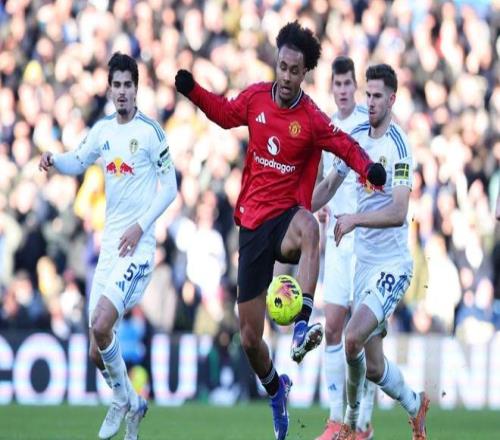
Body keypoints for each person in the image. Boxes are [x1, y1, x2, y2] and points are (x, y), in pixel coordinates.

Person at [174, 21, 386, 440]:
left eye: (295, 70)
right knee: (250, 339)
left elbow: (344, 145)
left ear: (305, 73)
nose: (287, 76)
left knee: (311, 228)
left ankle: (302, 324)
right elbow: (224, 114)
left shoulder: (311, 118)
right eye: (282, 67)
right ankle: (276, 389)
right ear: (277, 63)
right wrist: (192, 90)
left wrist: (370, 170)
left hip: (287, 218)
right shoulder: (256, 98)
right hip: (252, 225)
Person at [39, 52, 177, 440]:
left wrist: (139, 227)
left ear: (137, 88)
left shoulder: (151, 133)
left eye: (127, 85)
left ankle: (119, 400)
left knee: (101, 325)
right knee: (95, 350)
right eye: (116, 85)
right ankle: (133, 402)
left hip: (139, 249)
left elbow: (170, 188)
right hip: (110, 251)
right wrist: (53, 159)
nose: (122, 92)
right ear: (109, 89)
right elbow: (78, 160)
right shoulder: (102, 131)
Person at [312, 64, 429, 440]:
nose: (372, 102)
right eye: (369, 95)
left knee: (350, 337)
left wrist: (354, 219)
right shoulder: (356, 137)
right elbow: (330, 184)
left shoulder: (399, 146)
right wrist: (295, 208)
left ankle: (349, 424)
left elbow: (398, 212)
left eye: (378, 96)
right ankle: (415, 404)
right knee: (374, 367)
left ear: (392, 99)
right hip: (363, 265)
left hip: (392, 265)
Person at [314, 56, 376, 440]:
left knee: (364, 333)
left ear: (355, 86)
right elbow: (321, 179)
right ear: (331, 87)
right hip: (338, 238)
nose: (342, 90)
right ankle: (336, 419)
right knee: (333, 326)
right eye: (336, 84)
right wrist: (321, 207)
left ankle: (363, 421)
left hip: (367, 238)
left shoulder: (370, 123)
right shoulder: (325, 127)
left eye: (347, 84)